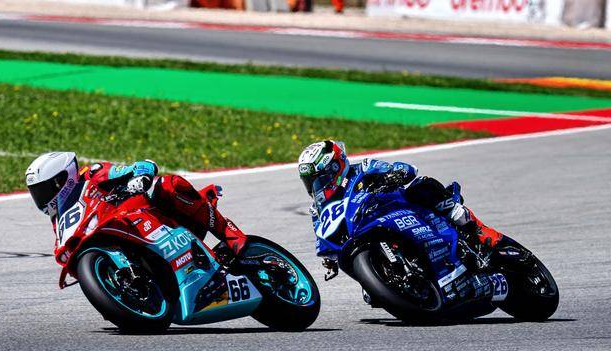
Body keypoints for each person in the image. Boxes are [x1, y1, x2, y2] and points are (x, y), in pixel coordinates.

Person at [297, 140, 502, 272]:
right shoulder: (318, 210)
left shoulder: (363, 168)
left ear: (335, 167)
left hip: (399, 210)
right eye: (310, 181)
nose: (315, 186)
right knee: (371, 297)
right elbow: (322, 236)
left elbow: (407, 169)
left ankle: (476, 228)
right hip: (366, 235)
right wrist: (330, 257)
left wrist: (394, 174)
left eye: (318, 179)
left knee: (422, 186)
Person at [25, 152, 247, 256]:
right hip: (127, 241)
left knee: (168, 185)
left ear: (61, 179)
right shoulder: (59, 221)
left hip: (153, 221)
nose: (41, 198)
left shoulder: (93, 174)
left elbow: (143, 165)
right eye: (36, 193)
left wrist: (140, 177)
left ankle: (229, 233)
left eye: (44, 190)